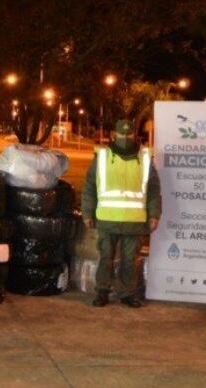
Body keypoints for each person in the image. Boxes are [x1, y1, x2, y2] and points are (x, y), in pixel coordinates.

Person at [81, 119, 162, 308]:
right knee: (105, 259)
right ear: (114, 135)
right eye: (121, 134)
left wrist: (154, 214)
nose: (125, 138)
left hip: (134, 221)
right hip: (107, 219)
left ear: (135, 135)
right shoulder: (101, 158)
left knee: (129, 261)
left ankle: (128, 294)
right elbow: (89, 188)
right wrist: (87, 213)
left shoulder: (145, 159)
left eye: (129, 134)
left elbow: (153, 190)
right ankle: (102, 292)